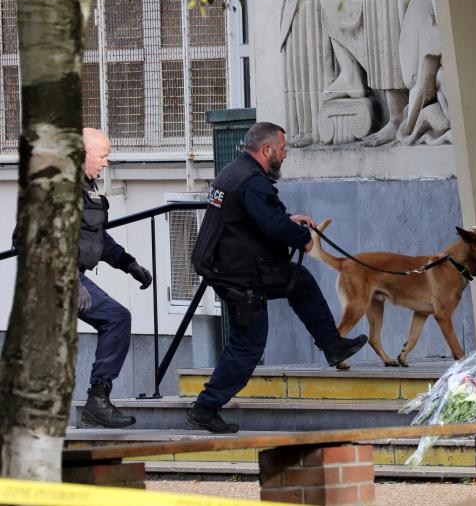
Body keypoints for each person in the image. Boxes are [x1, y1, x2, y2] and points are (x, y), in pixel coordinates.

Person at [188, 121, 367, 433]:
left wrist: (288, 219)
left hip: (238, 266)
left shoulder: (236, 172)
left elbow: (258, 217)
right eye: (282, 149)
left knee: (300, 282)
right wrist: (304, 239)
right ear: (267, 149)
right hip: (238, 275)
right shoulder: (252, 181)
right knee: (248, 343)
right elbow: (271, 226)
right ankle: (206, 407)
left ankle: (332, 345)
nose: (284, 156)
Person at [77, 128, 154, 428]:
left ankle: (97, 401)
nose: (106, 163)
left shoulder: (89, 189)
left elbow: (97, 238)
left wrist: (129, 264)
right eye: (102, 156)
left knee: (116, 318)